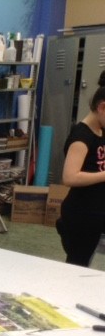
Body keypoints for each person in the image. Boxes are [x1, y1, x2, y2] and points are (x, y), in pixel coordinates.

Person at [56, 71, 105, 267]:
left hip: (98, 211)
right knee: (77, 267)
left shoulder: (101, 129)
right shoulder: (81, 136)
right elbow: (70, 177)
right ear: (102, 107)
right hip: (82, 215)